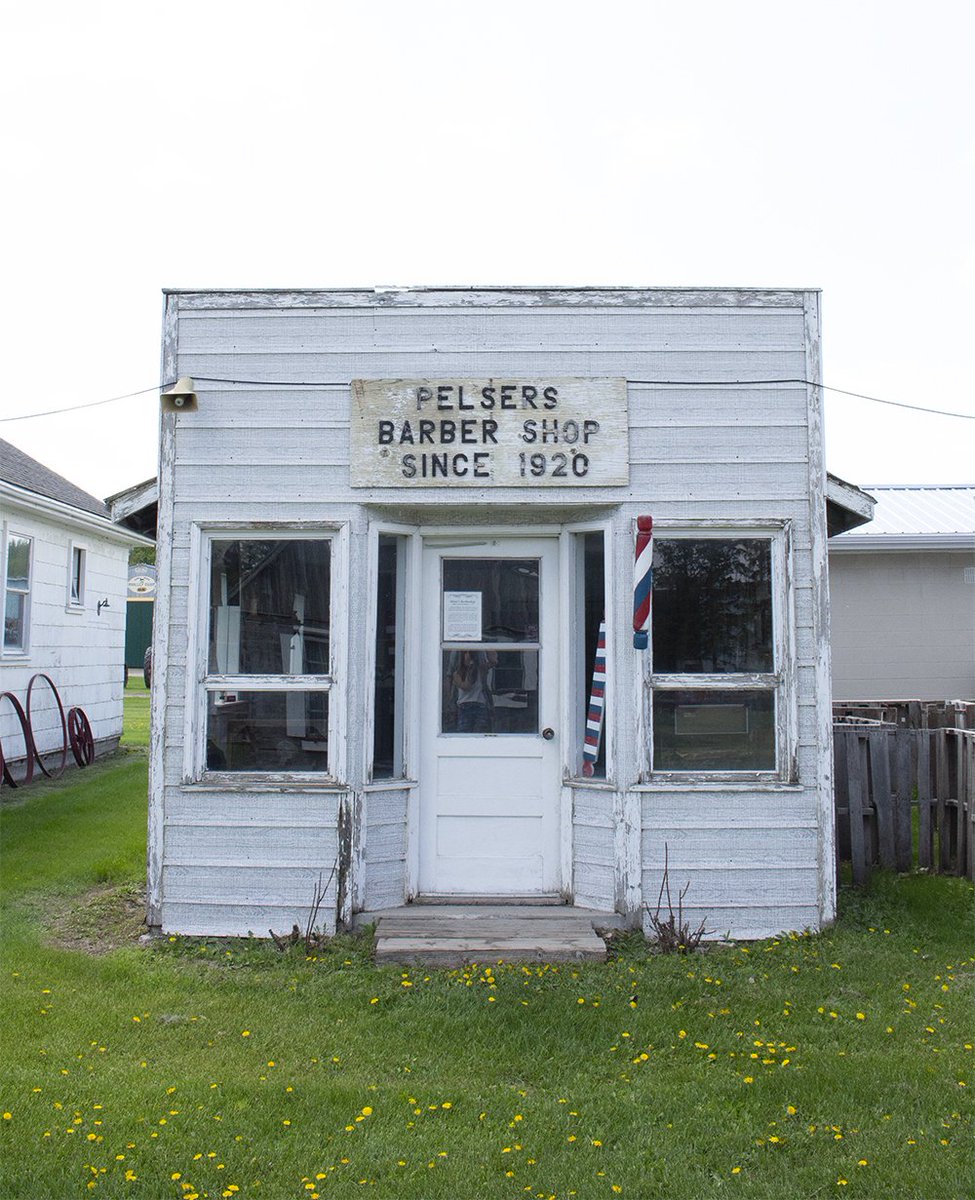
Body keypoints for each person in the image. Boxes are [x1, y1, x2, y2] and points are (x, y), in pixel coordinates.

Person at [451, 649, 495, 732]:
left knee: (480, 735)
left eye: (470, 654)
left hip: (480, 705)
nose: (468, 656)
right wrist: (471, 669)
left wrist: (487, 646)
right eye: (465, 653)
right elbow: (466, 686)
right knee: (464, 734)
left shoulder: (481, 669)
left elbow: (493, 661)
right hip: (464, 707)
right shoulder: (457, 674)